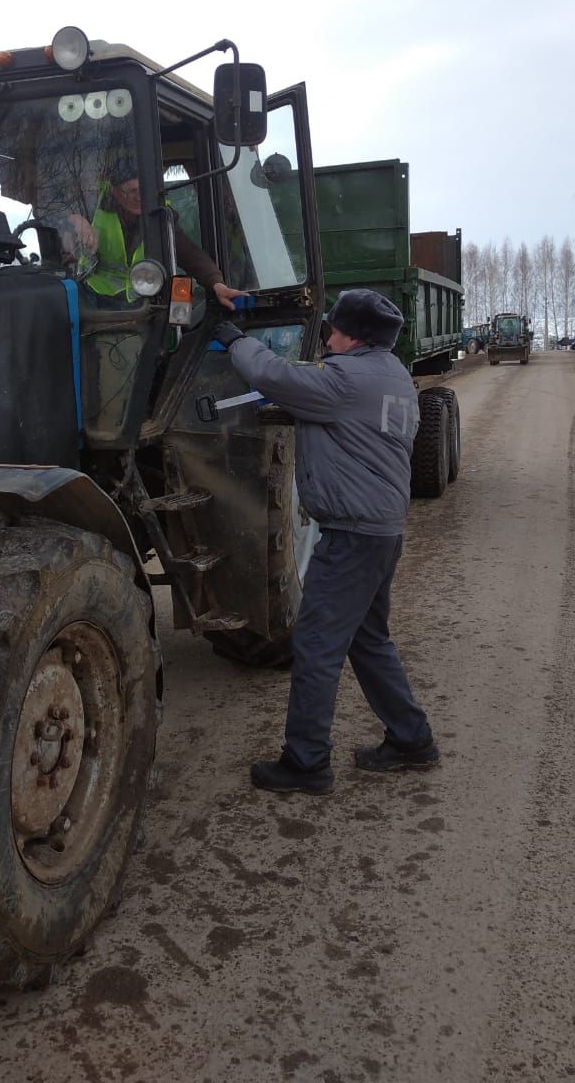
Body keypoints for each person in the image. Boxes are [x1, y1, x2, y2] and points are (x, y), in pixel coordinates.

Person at [212, 288, 439, 794]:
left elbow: (274, 376)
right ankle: (410, 738)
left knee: (315, 645)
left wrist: (233, 341)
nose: (326, 338)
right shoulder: (394, 376)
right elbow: (340, 419)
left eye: (332, 330)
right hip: (381, 532)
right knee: (368, 638)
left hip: (352, 536)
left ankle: (306, 762)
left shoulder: (343, 379)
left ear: (353, 336)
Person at [68, 158, 246, 309]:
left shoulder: (161, 214)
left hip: (142, 303)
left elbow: (189, 254)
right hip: (96, 302)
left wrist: (216, 283)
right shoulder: (90, 207)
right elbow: (55, 215)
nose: (139, 197)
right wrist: (73, 220)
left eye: (143, 190)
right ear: (115, 192)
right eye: (132, 191)